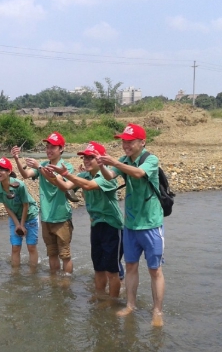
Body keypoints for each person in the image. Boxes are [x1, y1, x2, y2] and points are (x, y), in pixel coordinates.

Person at [96, 123, 166, 327]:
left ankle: (157, 312)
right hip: (131, 224)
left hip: (151, 224)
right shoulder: (124, 159)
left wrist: (114, 162)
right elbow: (110, 176)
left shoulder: (151, 159)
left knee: (155, 270)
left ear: (142, 142)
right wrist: (103, 164)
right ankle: (131, 305)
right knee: (131, 266)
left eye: (130, 141)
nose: (125, 145)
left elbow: (138, 174)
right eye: (123, 141)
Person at [45, 142, 124, 298]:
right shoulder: (83, 175)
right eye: (85, 157)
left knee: (112, 270)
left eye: (91, 157)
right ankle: (100, 295)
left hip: (112, 227)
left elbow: (88, 186)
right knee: (98, 267)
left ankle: (113, 302)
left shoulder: (106, 176)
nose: (86, 161)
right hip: (95, 225)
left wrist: (66, 173)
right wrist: (52, 177)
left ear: (100, 159)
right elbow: (67, 187)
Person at [11, 132, 75, 274]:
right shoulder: (44, 164)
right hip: (46, 217)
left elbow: (59, 182)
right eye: (47, 147)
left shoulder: (66, 167)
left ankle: (66, 283)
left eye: (53, 147)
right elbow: (25, 175)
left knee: (65, 255)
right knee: (51, 254)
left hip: (62, 218)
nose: (49, 150)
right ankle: (54, 281)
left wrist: (39, 167)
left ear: (61, 149)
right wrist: (16, 159)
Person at [0, 157, 40, 268]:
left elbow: (25, 205)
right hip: (14, 217)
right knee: (15, 247)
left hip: (30, 215)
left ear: (9, 172)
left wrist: (22, 225)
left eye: (2, 170)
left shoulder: (20, 185)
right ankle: (15, 273)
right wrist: (17, 225)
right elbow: (7, 207)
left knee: (31, 246)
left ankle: (32, 273)